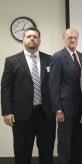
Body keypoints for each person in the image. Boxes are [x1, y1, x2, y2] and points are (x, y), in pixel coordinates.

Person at [1, 27, 56, 164]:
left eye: (35, 37)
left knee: (47, 152)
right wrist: (7, 112)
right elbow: (5, 88)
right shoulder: (11, 61)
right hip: (22, 115)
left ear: (39, 40)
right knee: (22, 153)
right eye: (29, 36)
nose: (32, 39)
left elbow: (55, 86)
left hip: (46, 114)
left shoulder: (50, 60)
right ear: (23, 39)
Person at [49, 28, 82, 164]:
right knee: (65, 144)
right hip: (65, 109)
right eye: (69, 37)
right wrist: (58, 109)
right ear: (64, 39)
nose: (72, 40)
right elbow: (53, 85)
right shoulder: (58, 57)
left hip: (81, 109)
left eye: (75, 37)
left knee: (78, 143)